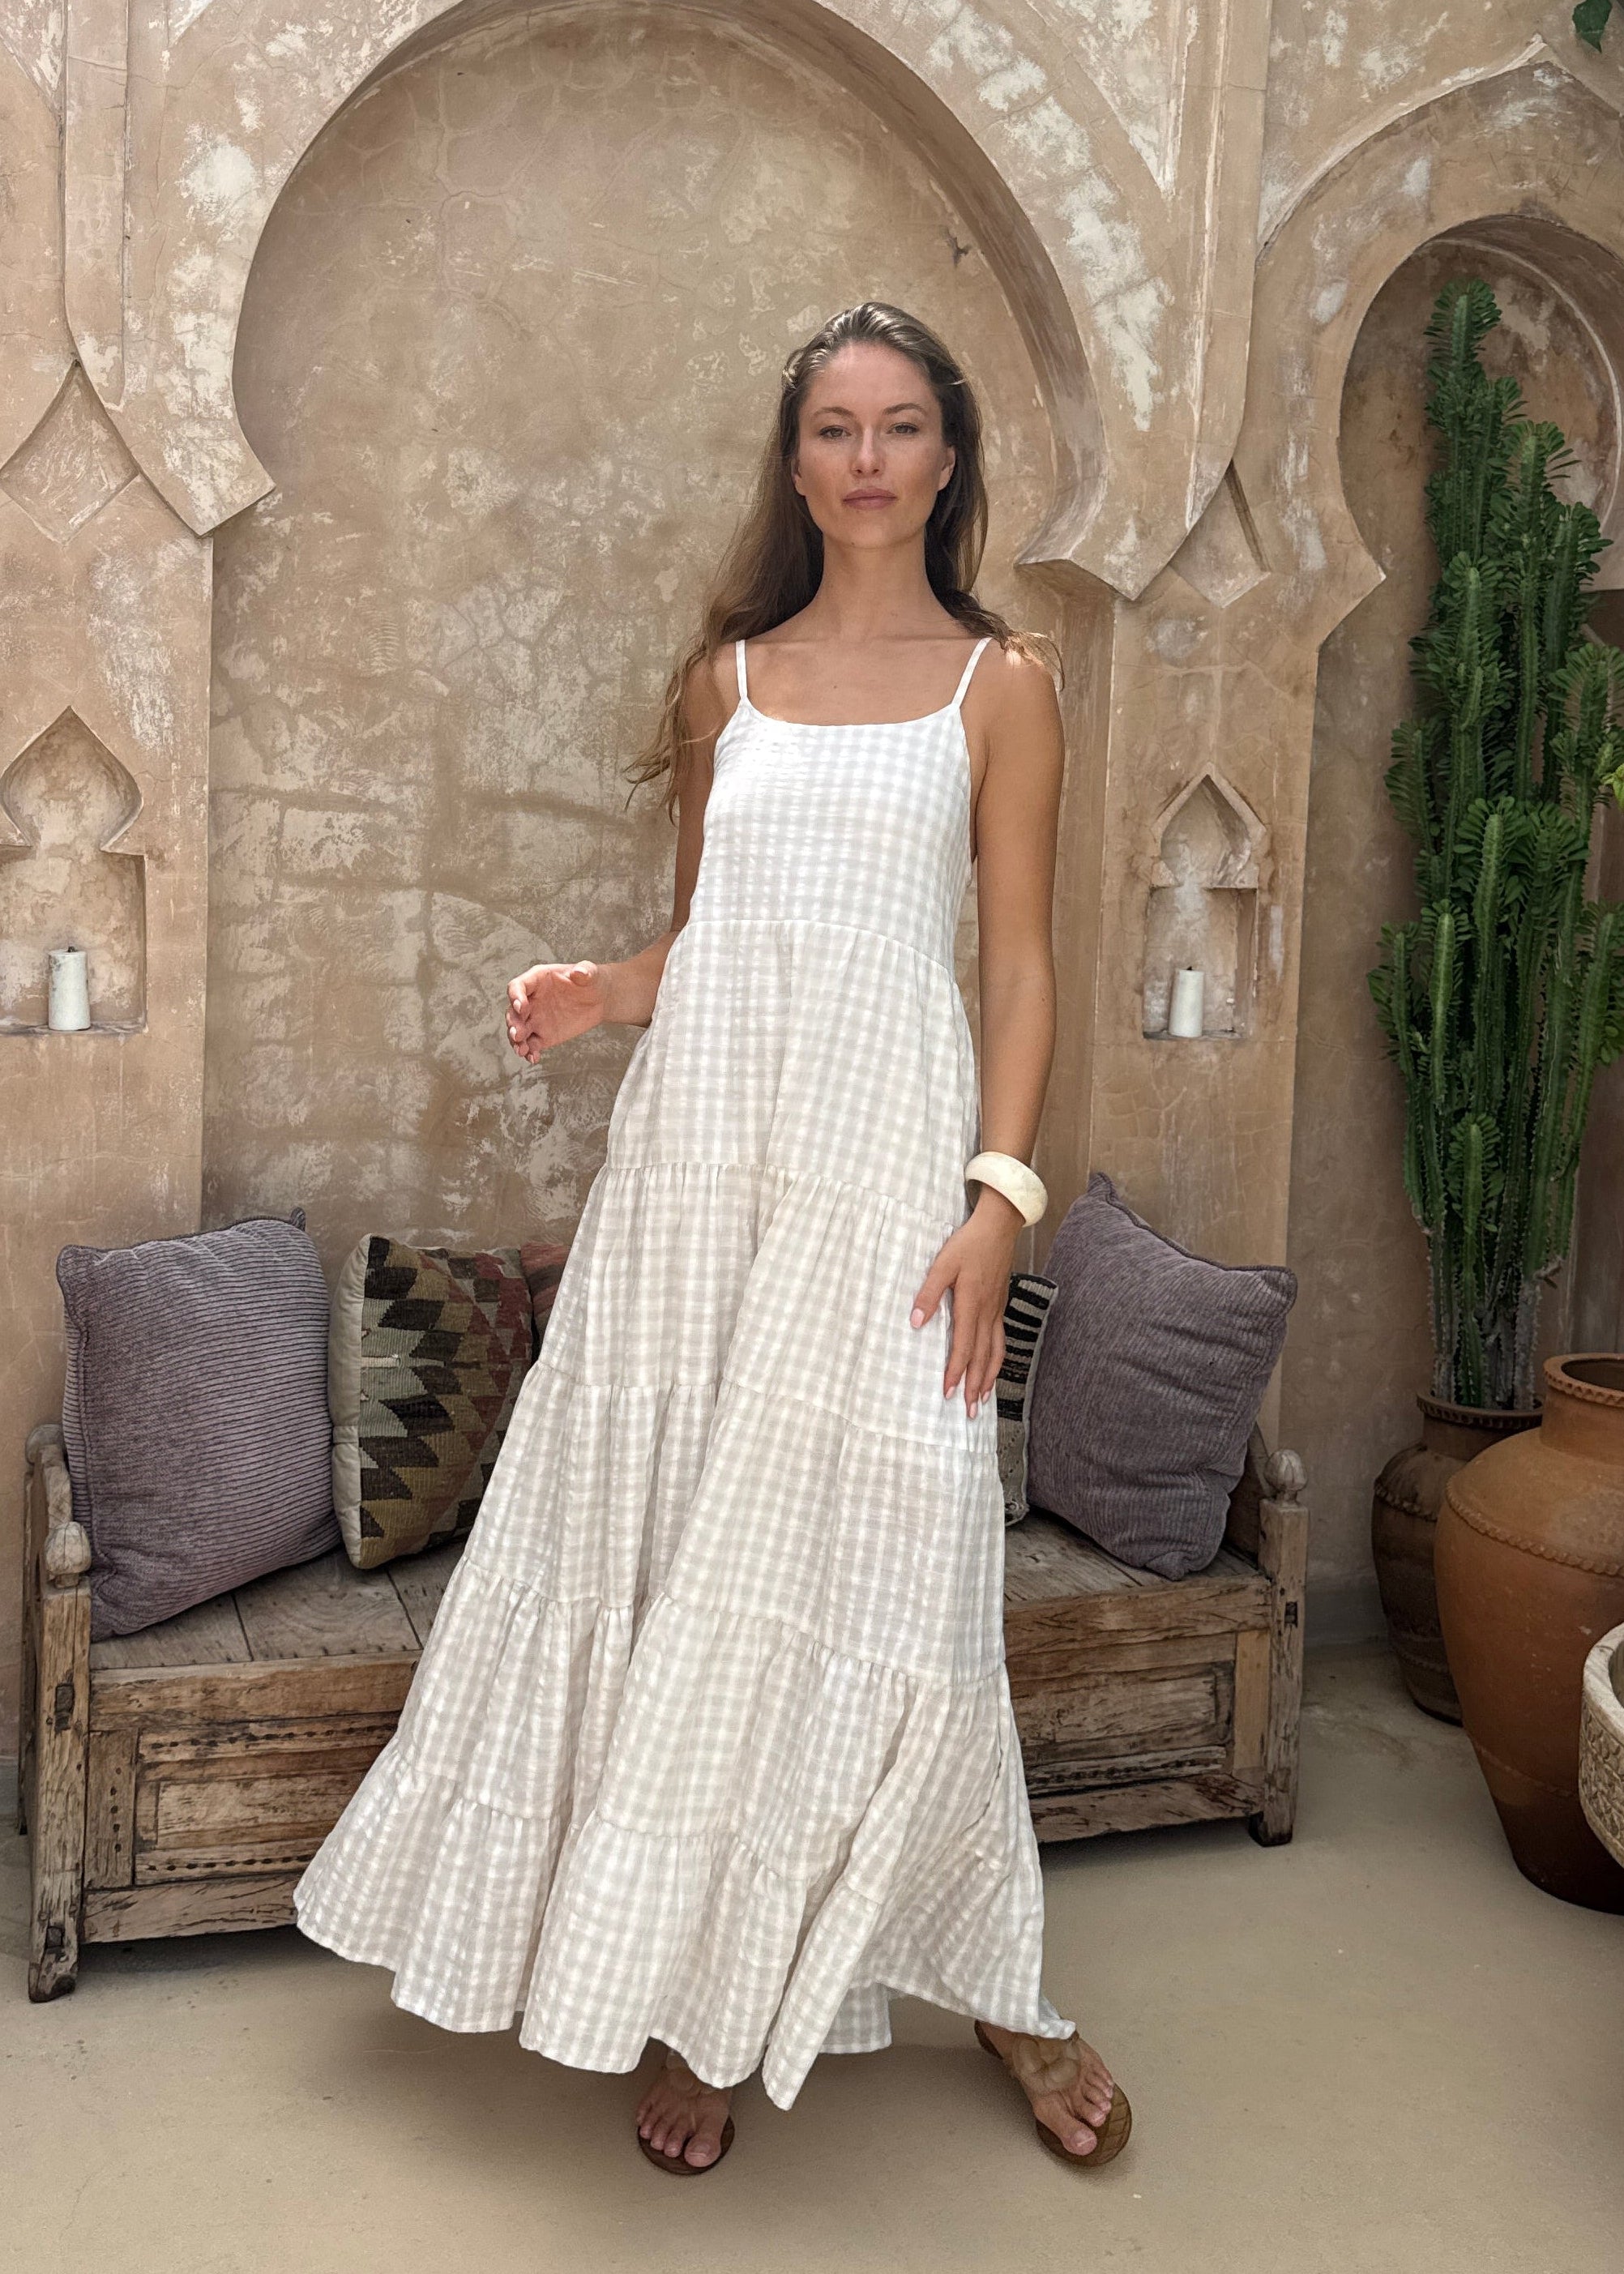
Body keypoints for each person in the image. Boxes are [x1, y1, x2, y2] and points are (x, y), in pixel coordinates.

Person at [293, 300, 1128, 2177]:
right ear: (796, 458)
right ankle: (697, 1994)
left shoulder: (1007, 685)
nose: (863, 459)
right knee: (691, 1550)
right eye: (832, 427)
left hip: (891, 1182)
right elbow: (710, 941)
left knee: (906, 1574)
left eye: (899, 426)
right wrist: (598, 991)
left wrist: (1000, 1199)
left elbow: (1012, 965)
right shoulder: (723, 684)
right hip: (702, 1177)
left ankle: (999, 1975)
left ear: (948, 455)